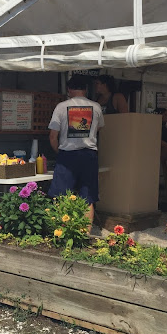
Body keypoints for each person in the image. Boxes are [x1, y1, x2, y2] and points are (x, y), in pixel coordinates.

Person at [48, 75, 105, 223]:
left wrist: (59, 152)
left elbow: (53, 136)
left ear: (69, 89)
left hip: (67, 156)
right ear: (86, 90)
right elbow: (98, 128)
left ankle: (61, 230)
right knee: (88, 197)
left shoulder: (61, 107)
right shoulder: (96, 107)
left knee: (61, 196)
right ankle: (85, 233)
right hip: (89, 155)